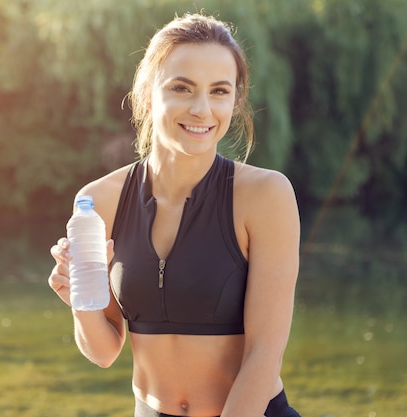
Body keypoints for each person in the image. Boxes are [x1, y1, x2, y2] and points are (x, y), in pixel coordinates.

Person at [48, 12, 301, 417]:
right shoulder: (98, 202)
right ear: (148, 94)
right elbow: (103, 351)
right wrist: (81, 300)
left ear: (235, 101)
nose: (202, 109)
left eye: (219, 91)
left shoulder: (266, 195)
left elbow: (263, 354)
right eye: (182, 88)